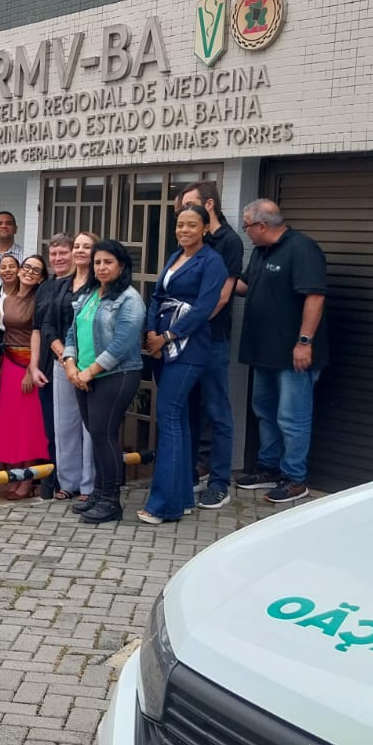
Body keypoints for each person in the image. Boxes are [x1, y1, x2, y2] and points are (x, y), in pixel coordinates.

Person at [235, 198, 329, 504]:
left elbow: (314, 296)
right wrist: (210, 280)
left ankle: (294, 479)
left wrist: (304, 342)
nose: (246, 232)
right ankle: (268, 468)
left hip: (293, 355)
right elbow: (244, 285)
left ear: (262, 226)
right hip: (264, 351)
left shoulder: (302, 248)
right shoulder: (261, 251)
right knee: (264, 411)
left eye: (247, 227)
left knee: (292, 417)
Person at [139, 205, 228, 525]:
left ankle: (163, 505)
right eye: (180, 225)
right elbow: (156, 297)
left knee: (169, 418)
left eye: (192, 225)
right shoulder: (175, 256)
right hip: (161, 346)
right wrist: (151, 333)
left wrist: (169, 335)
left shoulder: (212, 261)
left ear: (205, 228)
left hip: (189, 348)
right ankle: (183, 499)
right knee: (179, 420)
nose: (184, 230)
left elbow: (204, 307)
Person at [61, 241, 146, 525]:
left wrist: (90, 372)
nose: (101, 267)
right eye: (97, 262)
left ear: (121, 266)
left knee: (103, 434)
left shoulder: (129, 299)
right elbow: (72, 332)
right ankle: (98, 493)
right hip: (84, 375)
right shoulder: (89, 294)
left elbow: (123, 343)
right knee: (96, 434)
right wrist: (70, 364)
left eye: (108, 262)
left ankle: (111, 501)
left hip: (116, 375)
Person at [178, 181, 243, 509]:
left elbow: (221, 296)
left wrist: (187, 327)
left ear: (209, 205)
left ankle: (219, 482)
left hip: (211, 339)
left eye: (190, 204)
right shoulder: (190, 242)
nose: (184, 214)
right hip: (185, 341)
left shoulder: (229, 241)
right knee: (189, 410)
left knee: (217, 412)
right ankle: (189, 474)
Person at [40, 231, 98, 504]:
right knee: (64, 426)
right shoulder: (62, 285)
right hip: (62, 363)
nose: (80, 251)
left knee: (89, 427)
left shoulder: (100, 285)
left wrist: (75, 361)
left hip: (91, 365)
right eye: (77, 246)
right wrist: (64, 357)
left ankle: (89, 485)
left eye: (87, 246)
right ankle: (68, 482)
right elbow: (48, 325)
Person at [0, 254, 50, 497]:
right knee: (11, 423)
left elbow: (40, 336)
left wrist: (30, 370)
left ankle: (28, 479)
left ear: (42, 278)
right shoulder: (8, 300)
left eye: (36, 270)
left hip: (28, 367)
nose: (29, 272)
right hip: (9, 364)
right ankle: (14, 472)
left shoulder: (39, 301)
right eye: (26, 267)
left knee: (28, 424)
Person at [32, 232, 76, 463]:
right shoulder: (44, 287)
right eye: (53, 253)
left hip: (74, 363)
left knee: (72, 429)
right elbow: (36, 329)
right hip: (46, 366)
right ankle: (57, 476)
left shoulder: (80, 285)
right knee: (51, 429)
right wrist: (34, 366)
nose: (58, 258)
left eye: (63, 253)